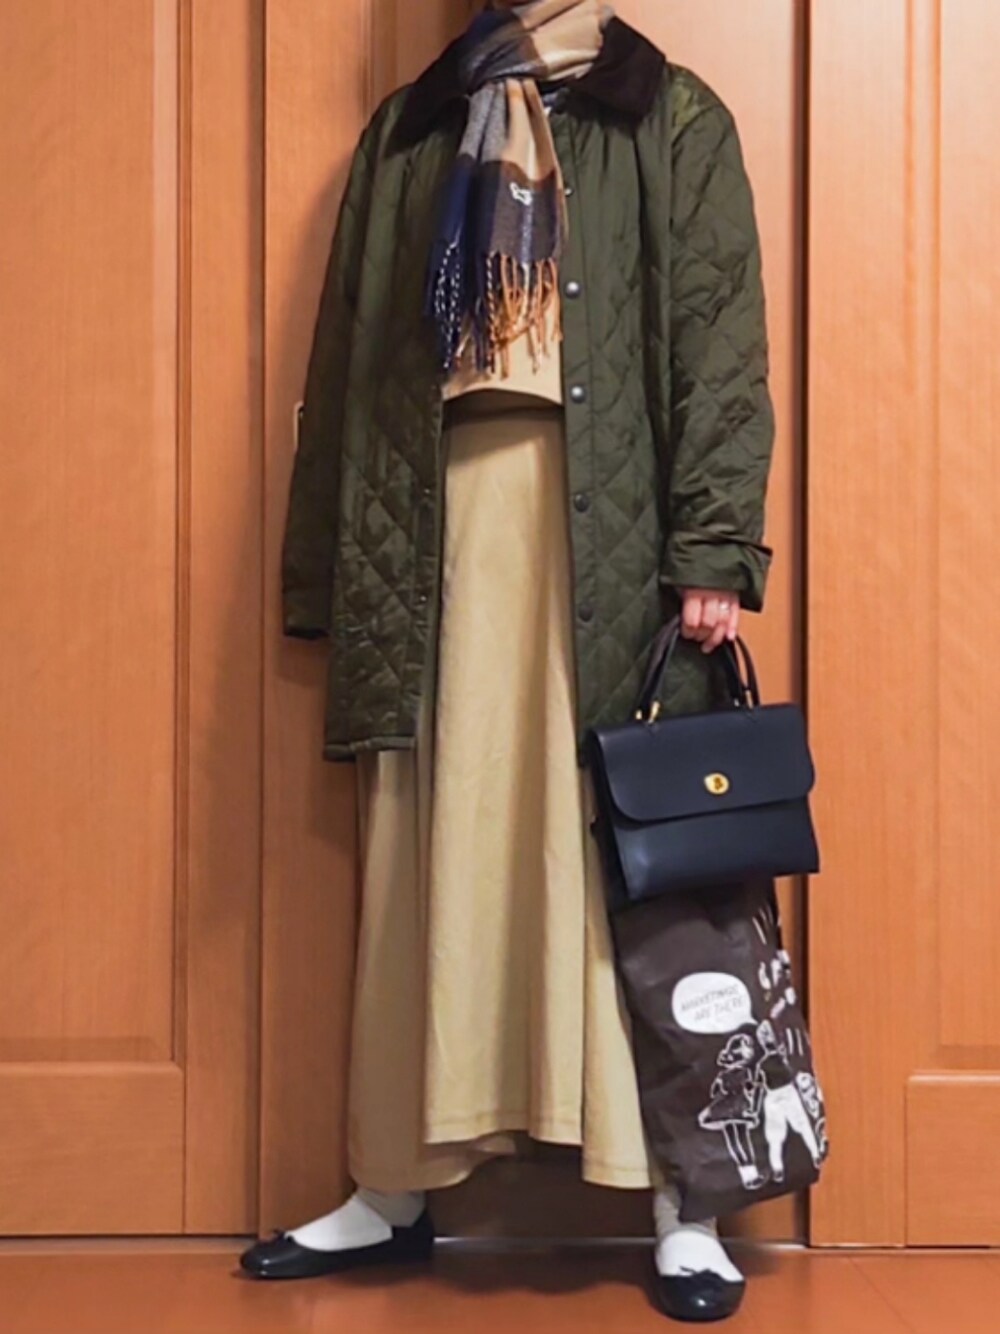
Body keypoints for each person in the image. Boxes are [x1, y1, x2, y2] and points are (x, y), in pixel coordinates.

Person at [242, 2, 776, 1324]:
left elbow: (719, 343)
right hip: (429, 526)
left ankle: (685, 1206)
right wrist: (323, 569)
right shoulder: (410, 131)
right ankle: (396, 1185)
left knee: (627, 859)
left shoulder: (672, 117)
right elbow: (348, 365)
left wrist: (712, 547)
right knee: (428, 849)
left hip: (607, 531)